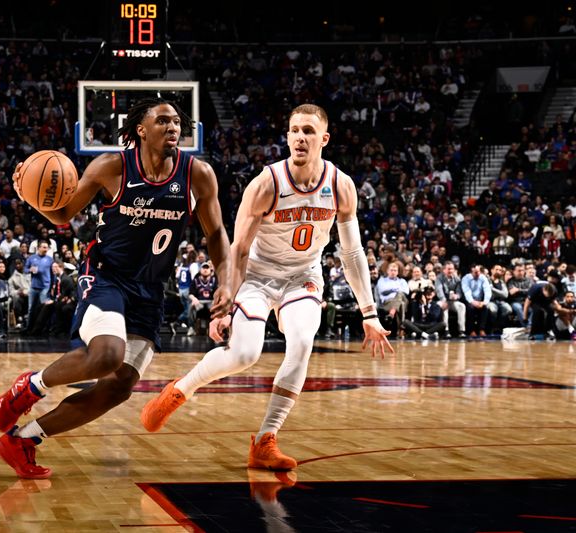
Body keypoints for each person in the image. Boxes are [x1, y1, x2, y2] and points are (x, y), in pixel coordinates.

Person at [140, 103, 392, 471]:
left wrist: (369, 312)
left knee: (303, 340)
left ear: (324, 138)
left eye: (308, 131)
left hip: (302, 275)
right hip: (257, 275)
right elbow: (238, 249)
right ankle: (181, 389)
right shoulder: (266, 183)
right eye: (294, 130)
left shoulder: (341, 185)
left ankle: (264, 440)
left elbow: (352, 252)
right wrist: (222, 307)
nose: (299, 138)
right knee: (245, 355)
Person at [0, 98, 231, 479]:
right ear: (141, 128)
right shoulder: (112, 166)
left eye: (177, 122)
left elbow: (216, 232)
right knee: (107, 355)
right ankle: (30, 386)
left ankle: (23, 441)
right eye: (163, 120)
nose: (173, 127)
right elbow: (64, 213)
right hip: (106, 277)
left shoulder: (197, 173)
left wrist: (226, 281)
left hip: (151, 290)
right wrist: (31, 196)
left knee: (118, 387)